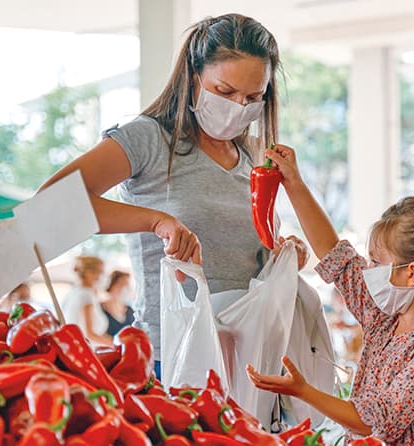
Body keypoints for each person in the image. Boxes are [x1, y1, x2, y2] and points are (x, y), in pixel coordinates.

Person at [38, 14, 306, 376]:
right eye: (225, 92)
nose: (238, 107)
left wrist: (283, 256)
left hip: (251, 359)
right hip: (173, 357)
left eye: (253, 97)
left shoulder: (254, 157)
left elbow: (247, 260)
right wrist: (155, 221)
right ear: (194, 77)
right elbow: (50, 205)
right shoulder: (148, 139)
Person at [246, 145, 414, 445]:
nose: (369, 271)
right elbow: (336, 257)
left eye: (377, 262)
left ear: (412, 273)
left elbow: (377, 420)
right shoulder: (384, 319)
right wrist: (294, 183)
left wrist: (303, 391)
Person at [61, 256, 112, 345]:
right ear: (89, 273)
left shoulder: (73, 291)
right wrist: (115, 344)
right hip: (91, 350)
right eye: (100, 272)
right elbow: (89, 334)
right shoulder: (86, 295)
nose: (102, 277)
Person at [102, 270, 135, 337]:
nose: (125, 289)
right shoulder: (100, 309)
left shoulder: (130, 311)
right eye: (122, 284)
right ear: (112, 285)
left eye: (127, 286)